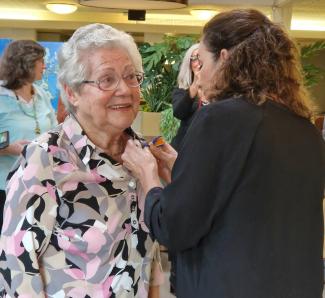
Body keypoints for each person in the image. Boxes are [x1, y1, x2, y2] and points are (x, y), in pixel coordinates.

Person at [121, 9, 325, 298]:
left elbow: (173, 227)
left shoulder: (220, 119)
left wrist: (147, 175)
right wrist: (181, 166)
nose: (197, 75)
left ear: (226, 58)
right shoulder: (306, 131)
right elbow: (249, 200)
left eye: (200, 63)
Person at [0, 24, 162, 297]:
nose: (125, 89)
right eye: (106, 80)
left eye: (131, 76)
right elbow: (17, 271)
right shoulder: (45, 159)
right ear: (71, 92)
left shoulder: (141, 156)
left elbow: (149, 258)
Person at [0, 40, 57, 233]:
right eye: (40, 61)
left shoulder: (41, 94)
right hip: (5, 187)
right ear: (25, 64)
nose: (45, 66)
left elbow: (55, 130)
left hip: (38, 184)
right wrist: (9, 149)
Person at [171, 43, 208, 151]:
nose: (199, 62)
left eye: (201, 57)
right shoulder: (181, 90)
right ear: (189, 64)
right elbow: (179, 112)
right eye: (194, 58)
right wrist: (196, 82)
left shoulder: (219, 89)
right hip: (184, 146)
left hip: (208, 146)